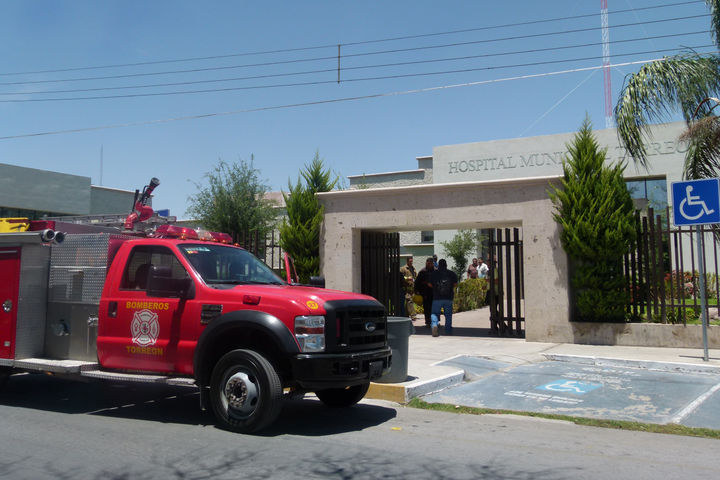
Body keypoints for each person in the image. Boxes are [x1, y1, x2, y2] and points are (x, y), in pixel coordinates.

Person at [429, 258, 458, 337]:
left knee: (434, 313)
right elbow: (455, 284)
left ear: (438, 265)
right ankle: (448, 330)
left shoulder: (434, 273)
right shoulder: (451, 273)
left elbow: (429, 284)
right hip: (448, 297)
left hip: (437, 297)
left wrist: (435, 288)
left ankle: (434, 325)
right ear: (446, 265)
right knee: (448, 315)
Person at [414, 257, 435, 327]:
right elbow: (417, 282)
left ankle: (434, 321)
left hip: (434, 293)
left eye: (430, 263)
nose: (429, 265)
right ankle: (428, 321)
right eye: (428, 263)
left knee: (434, 308)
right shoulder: (422, 271)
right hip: (425, 293)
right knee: (427, 308)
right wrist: (416, 290)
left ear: (433, 264)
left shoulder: (436, 271)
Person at [399, 256, 417, 321]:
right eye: (410, 261)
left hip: (412, 288)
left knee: (408, 301)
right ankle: (413, 315)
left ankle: (406, 315)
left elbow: (415, 277)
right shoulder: (403, 269)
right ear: (407, 261)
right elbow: (401, 277)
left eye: (412, 261)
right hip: (406, 287)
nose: (411, 262)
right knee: (409, 300)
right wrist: (407, 279)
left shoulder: (413, 268)